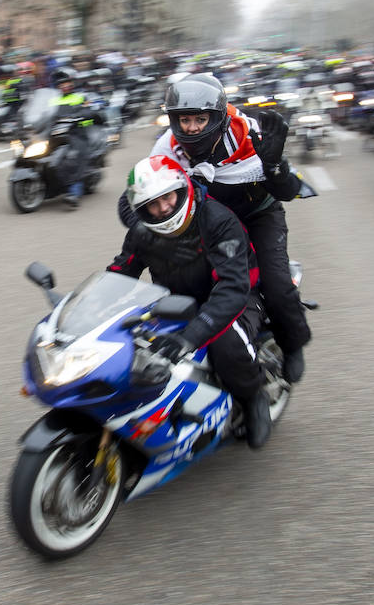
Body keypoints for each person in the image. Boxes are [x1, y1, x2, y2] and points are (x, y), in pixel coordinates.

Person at [120, 74, 311, 382]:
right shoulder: (166, 148)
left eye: (201, 118)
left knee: (276, 286)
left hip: (257, 215)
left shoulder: (251, 137)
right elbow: (133, 200)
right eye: (184, 119)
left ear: (218, 117)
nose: (192, 127)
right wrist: (150, 233)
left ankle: (291, 344)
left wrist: (276, 167)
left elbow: (289, 191)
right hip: (206, 220)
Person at [108, 155, 273, 448]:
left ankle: (253, 396)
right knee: (129, 339)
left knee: (226, 345)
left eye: (167, 197)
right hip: (177, 302)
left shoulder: (218, 220)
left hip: (236, 297)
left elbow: (233, 286)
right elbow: (122, 272)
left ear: (181, 188)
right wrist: (92, 305)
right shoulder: (142, 232)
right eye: (152, 205)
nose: (163, 209)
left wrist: (191, 337)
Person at [52, 67, 102, 208]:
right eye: (61, 84)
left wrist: (81, 116)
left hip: (77, 134)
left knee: (73, 158)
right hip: (57, 135)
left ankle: (74, 193)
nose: (64, 86)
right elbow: (46, 115)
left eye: (67, 83)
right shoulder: (53, 100)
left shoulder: (81, 97)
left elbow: (89, 111)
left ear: (72, 84)